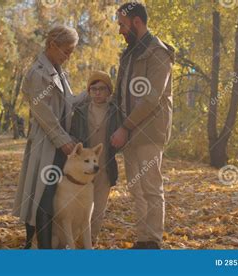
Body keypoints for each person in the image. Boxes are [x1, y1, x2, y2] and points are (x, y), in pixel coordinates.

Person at [12, 25, 86, 249]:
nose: (69, 56)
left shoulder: (59, 72)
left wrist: (91, 93)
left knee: (51, 195)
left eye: (71, 51)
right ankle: (37, 247)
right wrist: (63, 140)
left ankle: (44, 246)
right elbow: (43, 114)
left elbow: (68, 103)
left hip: (59, 145)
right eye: (66, 51)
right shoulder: (38, 73)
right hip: (47, 144)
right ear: (52, 45)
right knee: (42, 196)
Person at [110, 2, 174, 249]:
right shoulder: (129, 54)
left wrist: (125, 127)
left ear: (137, 22)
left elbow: (151, 98)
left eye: (122, 25)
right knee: (136, 189)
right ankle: (142, 239)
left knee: (150, 188)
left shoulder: (159, 53)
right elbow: (119, 95)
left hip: (148, 132)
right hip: (128, 132)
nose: (120, 31)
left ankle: (153, 242)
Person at [69, 71, 120, 245]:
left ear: (109, 91)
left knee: (97, 209)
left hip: (105, 168)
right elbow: (73, 136)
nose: (97, 92)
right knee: (80, 209)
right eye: (94, 89)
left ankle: (90, 243)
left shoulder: (115, 112)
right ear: (89, 91)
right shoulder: (81, 112)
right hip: (83, 170)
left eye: (102, 89)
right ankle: (76, 243)